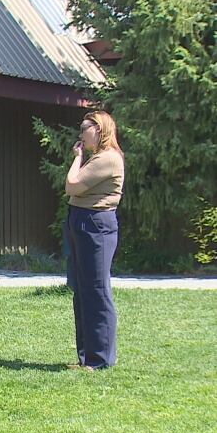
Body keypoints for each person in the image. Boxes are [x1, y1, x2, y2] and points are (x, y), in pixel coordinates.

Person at [64, 110, 124, 371]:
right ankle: (87, 356)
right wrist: (81, 157)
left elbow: (73, 185)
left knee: (97, 291)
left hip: (96, 225)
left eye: (84, 128)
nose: (81, 133)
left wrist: (77, 158)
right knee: (83, 290)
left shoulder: (108, 158)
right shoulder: (97, 158)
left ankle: (100, 360)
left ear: (99, 129)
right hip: (83, 221)